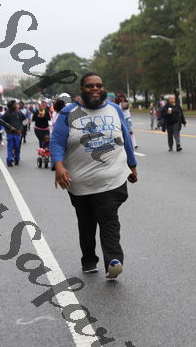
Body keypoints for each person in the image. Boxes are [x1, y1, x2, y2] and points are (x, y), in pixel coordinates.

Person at [51, 72, 137, 279]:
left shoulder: (114, 109)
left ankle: (113, 261)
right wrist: (58, 166)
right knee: (87, 223)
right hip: (80, 181)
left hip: (111, 178)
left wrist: (132, 166)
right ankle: (89, 259)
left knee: (109, 219)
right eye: (90, 86)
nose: (95, 89)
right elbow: (56, 141)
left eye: (99, 85)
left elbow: (125, 138)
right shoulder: (68, 113)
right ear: (82, 89)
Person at [0, 100, 26, 167]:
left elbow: (24, 121)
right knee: (10, 147)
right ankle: (9, 160)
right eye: (15, 104)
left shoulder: (18, 112)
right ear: (11, 106)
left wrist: (21, 129)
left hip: (17, 133)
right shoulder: (7, 113)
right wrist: (9, 127)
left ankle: (17, 159)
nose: (16, 105)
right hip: (10, 133)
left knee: (17, 147)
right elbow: (1, 121)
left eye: (16, 104)